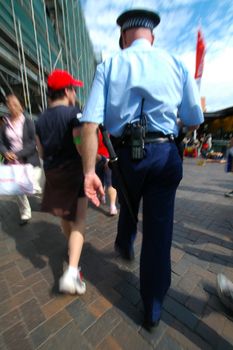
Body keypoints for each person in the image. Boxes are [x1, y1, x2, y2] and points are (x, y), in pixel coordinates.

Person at [80, 8, 204, 331]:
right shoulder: (176, 63)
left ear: (123, 37)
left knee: (127, 198)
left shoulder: (109, 64)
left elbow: (90, 122)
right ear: (153, 36)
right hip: (164, 153)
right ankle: (152, 308)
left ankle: (125, 241)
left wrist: (88, 172)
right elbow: (193, 119)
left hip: (125, 157)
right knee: (160, 233)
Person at [35, 69, 87, 295]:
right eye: (73, 89)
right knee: (79, 221)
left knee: (66, 215)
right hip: (74, 171)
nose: (74, 93)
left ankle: (71, 250)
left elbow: (40, 149)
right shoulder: (73, 114)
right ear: (66, 91)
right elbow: (79, 144)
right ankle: (72, 272)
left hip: (53, 172)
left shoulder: (40, 119)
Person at [0, 94, 41, 225]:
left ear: (20, 106)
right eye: (9, 104)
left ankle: (47, 198)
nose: (12, 106)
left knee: (36, 187)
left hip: (28, 159)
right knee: (17, 188)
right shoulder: (5, 124)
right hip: (13, 162)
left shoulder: (28, 121)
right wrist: (6, 152)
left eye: (14, 103)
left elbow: (32, 143)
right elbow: (1, 142)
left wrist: (17, 154)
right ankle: (25, 213)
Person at [96, 130, 118, 215]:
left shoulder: (92, 128)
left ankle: (102, 196)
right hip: (109, 158)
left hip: (97, 158)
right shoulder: (109, 128)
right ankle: (112, 206)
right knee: (110, 183)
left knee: (100, 181)